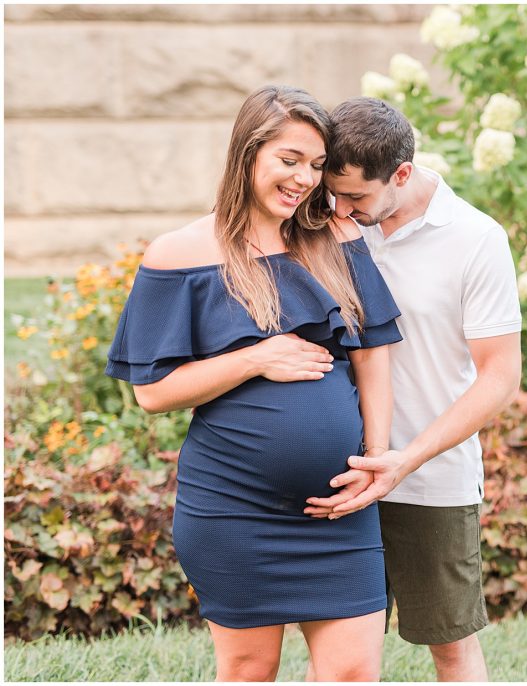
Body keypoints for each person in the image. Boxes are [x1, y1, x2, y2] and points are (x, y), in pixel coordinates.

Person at [106, 85, 400, 682]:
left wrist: (376, 458)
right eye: (288, 160)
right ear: (247, 154)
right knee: (246, 671)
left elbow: (373, 356)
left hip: (339, 511)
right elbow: (153, 393)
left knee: (354, 674)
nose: (303, 180)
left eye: (316, 166)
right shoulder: (179, 254)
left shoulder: (336, 241)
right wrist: (254, 358)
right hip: (232, 509)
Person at [303, 97, 522, 682]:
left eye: (355, 197)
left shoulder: (476, 238)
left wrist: (406, 458)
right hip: (339, 474)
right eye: (332, 191)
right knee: (337, 652)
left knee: (450, 647)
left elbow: (500, 376)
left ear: (401, 173)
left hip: (430, 478)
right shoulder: (324, 224)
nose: (338, 208)